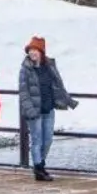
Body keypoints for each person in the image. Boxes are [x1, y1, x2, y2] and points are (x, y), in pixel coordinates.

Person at [19, 36, 77, 181]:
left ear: (41, 52)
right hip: (35, 111)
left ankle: (40, 165)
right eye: (30, 50)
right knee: (37, 140)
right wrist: (30, 110)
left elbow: (58, 84)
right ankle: (39, 170)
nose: (32, 53)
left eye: (35, 50)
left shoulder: (49, 65)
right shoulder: (25, 69)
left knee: (48, 140)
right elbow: (23, 92)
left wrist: (67, 100)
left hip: (48, 108)